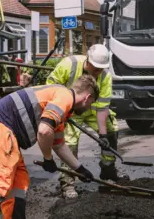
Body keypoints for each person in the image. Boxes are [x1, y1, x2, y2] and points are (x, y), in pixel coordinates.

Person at [0, 75, 99, 219]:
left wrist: (80, 169)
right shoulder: (64, 97)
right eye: (91, 103)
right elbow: (44, 130)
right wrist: (48, 159)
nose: (89, 108)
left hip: (6, 133)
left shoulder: (61, 108)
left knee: (19, 183)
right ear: (87, 97)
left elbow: (59, 146)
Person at [46, 44, 126, 199]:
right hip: (69, 110)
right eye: (96, 69)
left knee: (110, 131)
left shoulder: (105, 76)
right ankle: (68, 183)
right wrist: (63, 110)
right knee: (68, 142)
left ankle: (108, 170)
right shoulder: (69, 65)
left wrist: (103, 135)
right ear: (88, 61)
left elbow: (102, 108)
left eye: (101, 69)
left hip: (92, 110)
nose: (98, 72)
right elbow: (51, 88)